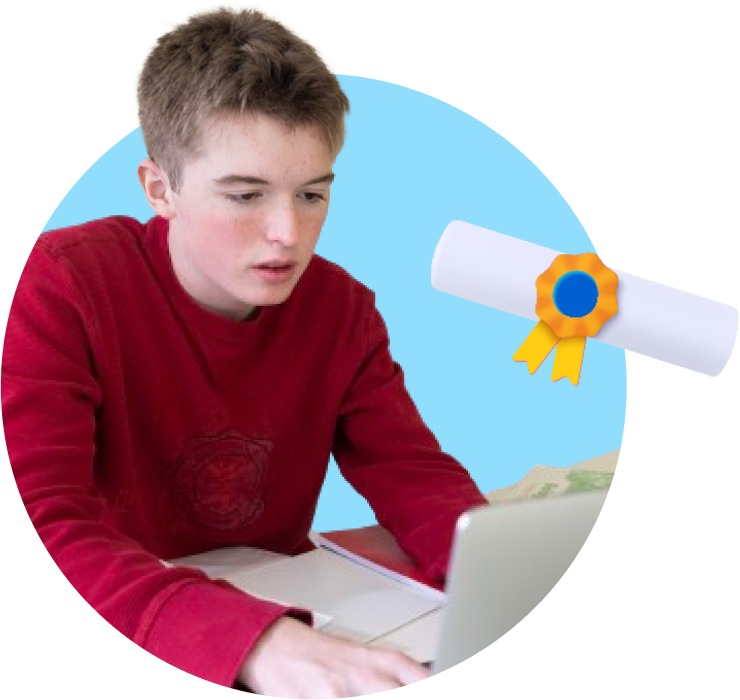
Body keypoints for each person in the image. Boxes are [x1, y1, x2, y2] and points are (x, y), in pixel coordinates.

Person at [0, 3, 489, 698]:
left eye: (313, 194)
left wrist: (499, 578)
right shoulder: (73, 280)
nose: (287, 233)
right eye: (244, 195)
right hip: (122, 635)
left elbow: (411, 472)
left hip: (288, 608)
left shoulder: (342, 311)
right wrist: (252, 639)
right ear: (160, 189)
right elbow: (40, 521)